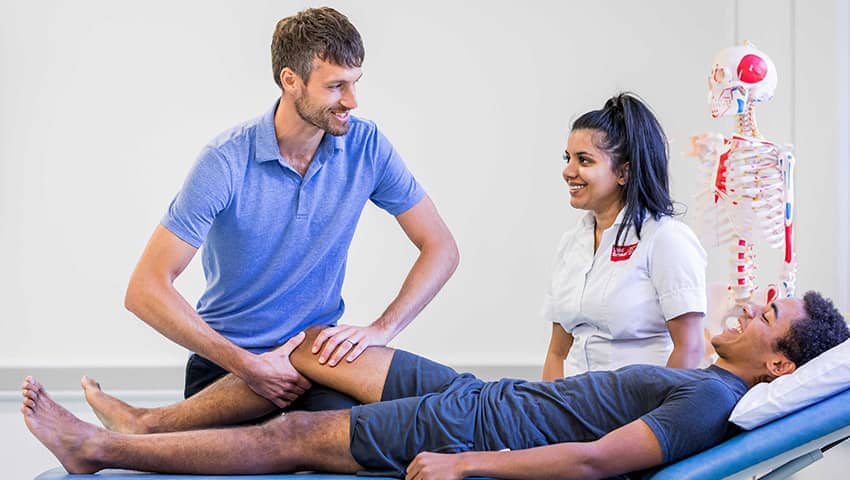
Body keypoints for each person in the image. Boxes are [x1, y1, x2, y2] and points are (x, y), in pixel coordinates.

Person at [22, 292, 849, 479]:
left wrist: (466, 466)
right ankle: (152, 419)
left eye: (768, 313)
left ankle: (96, 447)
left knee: (293, 432)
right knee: (314, 349)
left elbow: (596, 463)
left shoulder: (709, 401)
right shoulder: (701, 380)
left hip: (472, 430)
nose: (751, 303)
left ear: (779, 365)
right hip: (479, 392)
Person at [124, 7, 459, 408]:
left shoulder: (366, 146)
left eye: (355, 83)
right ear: (291, 81)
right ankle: (130, 433)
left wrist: (382, 330)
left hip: (313, 365)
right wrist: (247, 365)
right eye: (336, 86)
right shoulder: (226, 161)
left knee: (348, 442)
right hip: (227, 367)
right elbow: (145, 289)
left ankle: (136, 429)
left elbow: (441, 247)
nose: (351, 101)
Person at [542, 93, 706, 380]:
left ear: (623, 172)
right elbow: (557, 353)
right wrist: (546, 415)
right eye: (567, 158)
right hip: (571, 407)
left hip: (634, 409)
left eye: (584, 160)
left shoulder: (666, 239)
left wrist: (650, 422)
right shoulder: (572, 243)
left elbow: (690, 349)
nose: (568, 171)